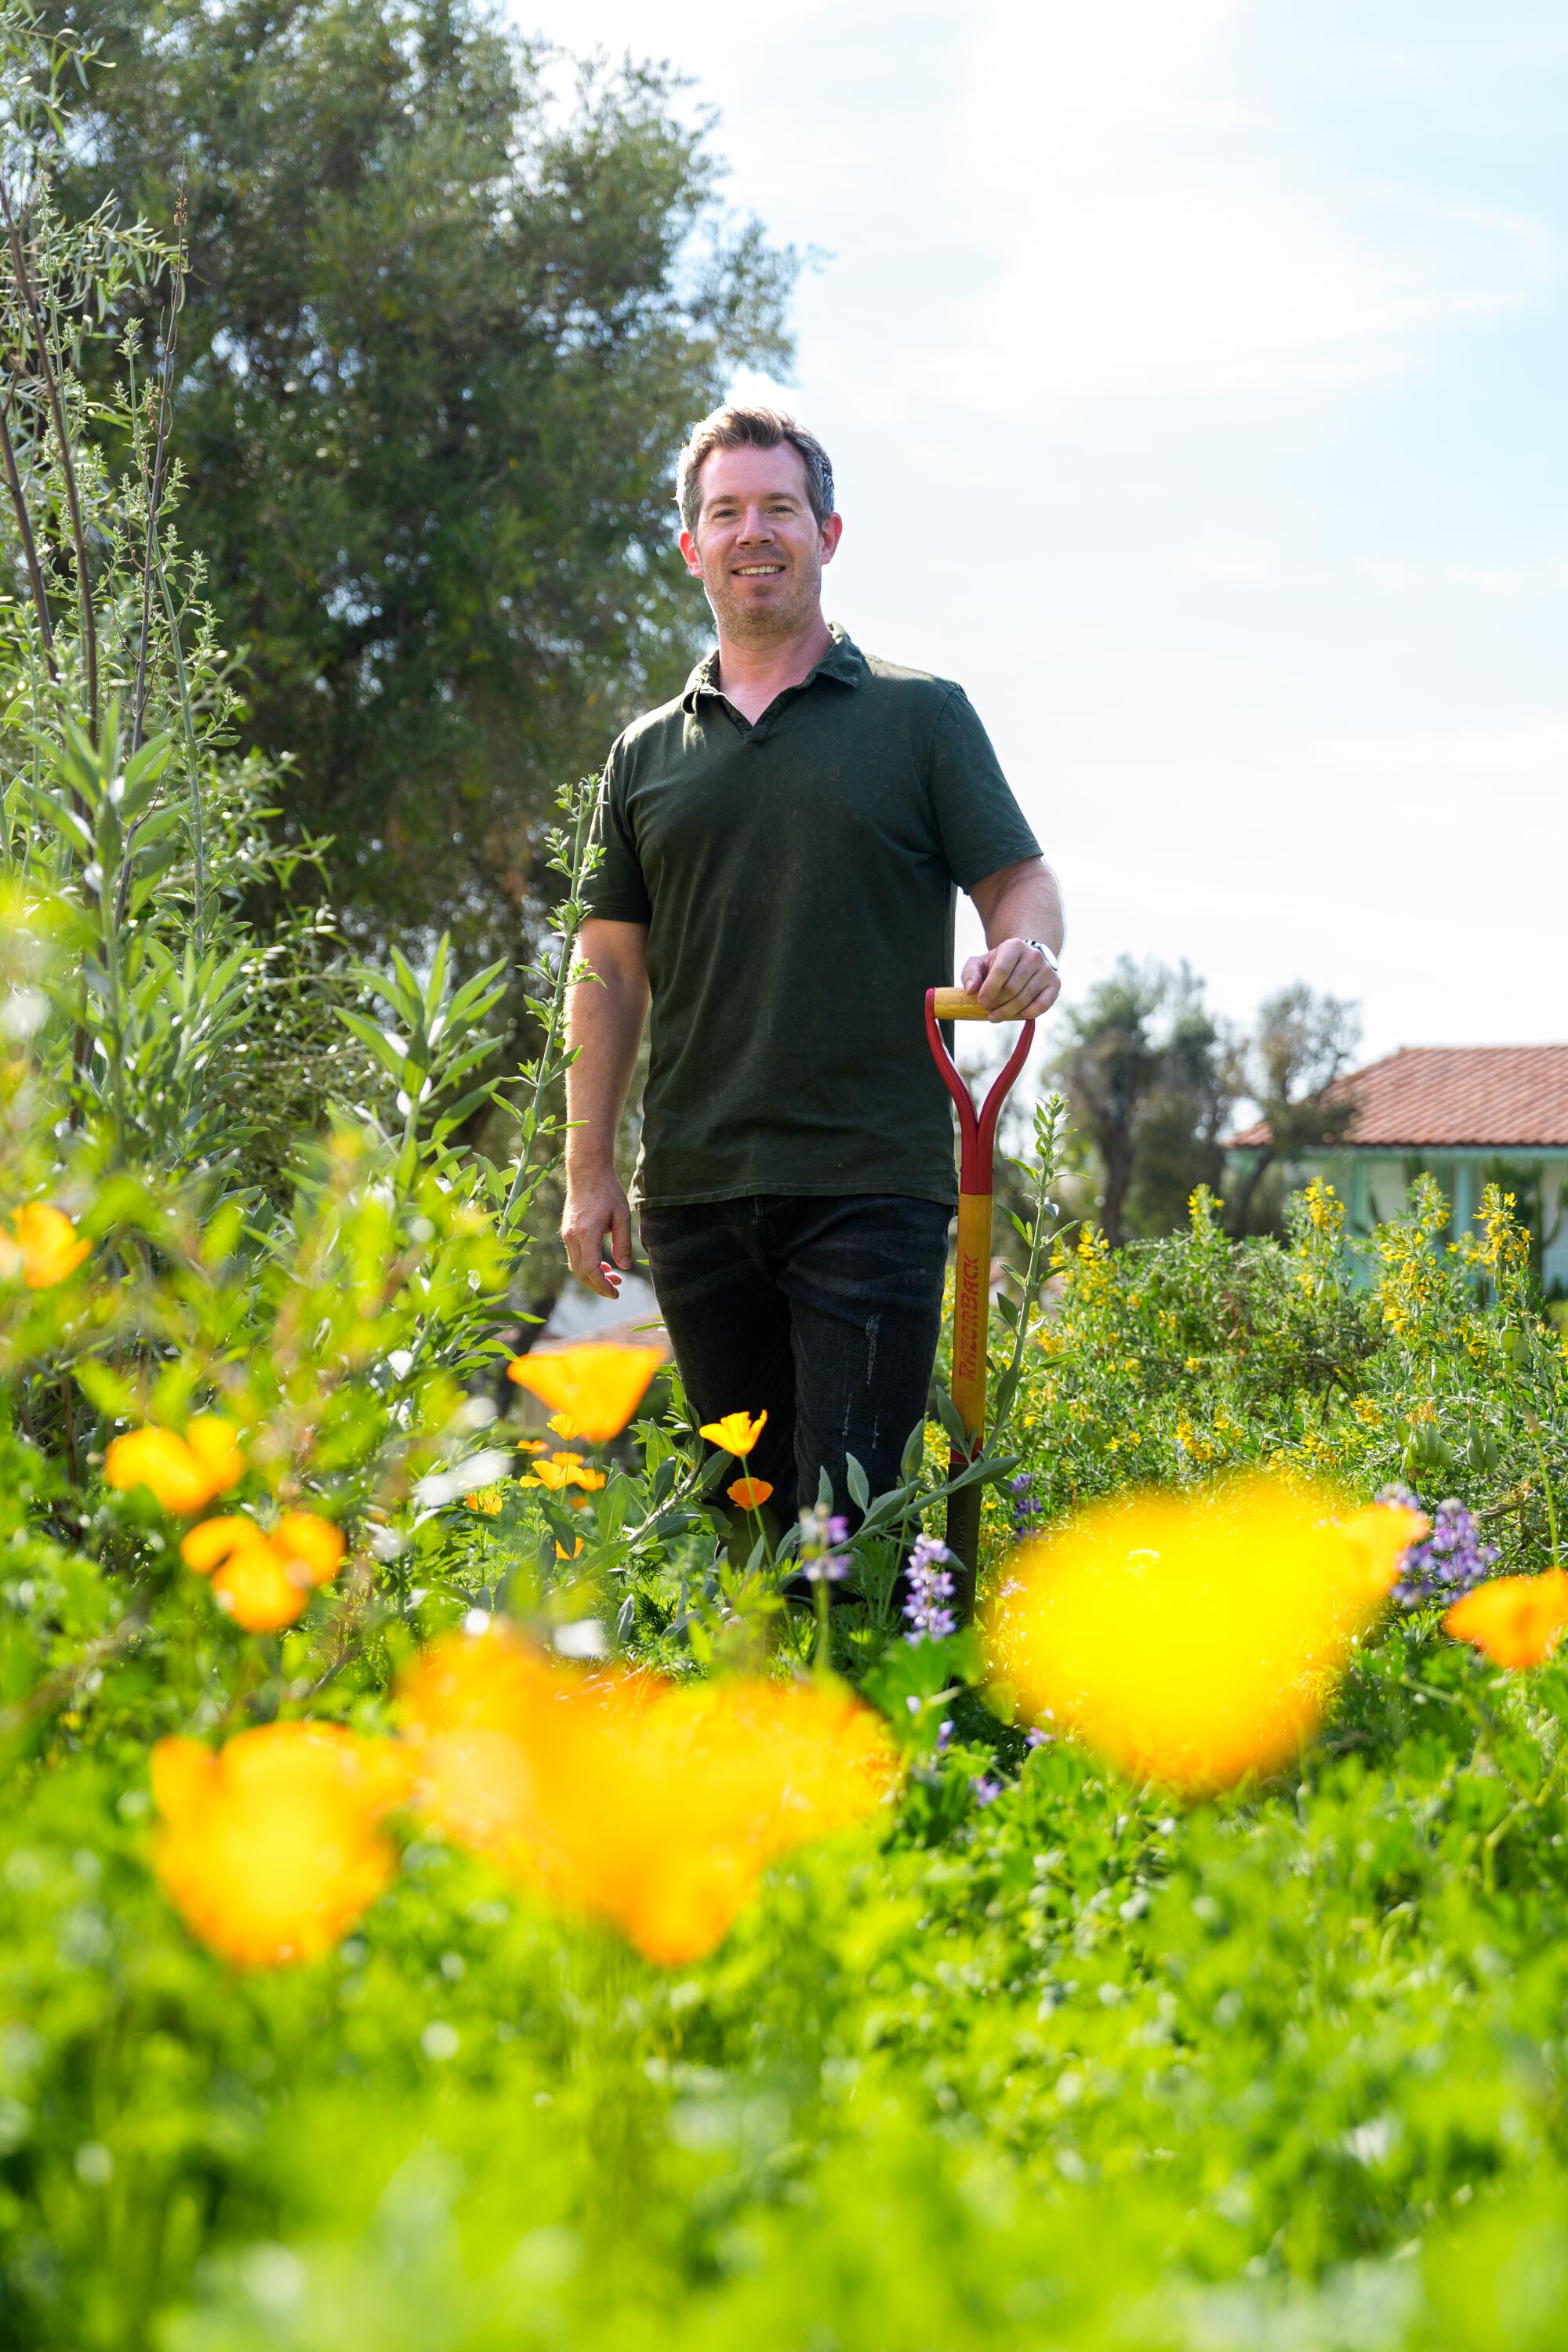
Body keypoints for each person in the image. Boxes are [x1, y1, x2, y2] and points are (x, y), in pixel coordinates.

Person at [561, 405, 1063, 1524]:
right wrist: (587, 1167)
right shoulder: (643, 753)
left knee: (847, 1534)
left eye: (778, 507)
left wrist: (1022, 950)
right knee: (747, 1541)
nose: (754, 531)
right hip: (693, 1192)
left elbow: (1019, 884)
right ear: (692, 548)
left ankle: (880, 1698)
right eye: (726, 511)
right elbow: (606, 972)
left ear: (827, 533)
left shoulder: (919, 716)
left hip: (868, 1185)